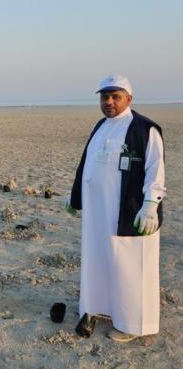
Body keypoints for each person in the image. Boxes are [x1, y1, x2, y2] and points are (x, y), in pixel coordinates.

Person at [67, 74, 165, 342]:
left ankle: (134, 324)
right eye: (104, 97)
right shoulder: (101, 125)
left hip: (129, 212)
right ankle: (105, 309)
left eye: (115, 97)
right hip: (99, 213)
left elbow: (155, 170)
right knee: (101, 260)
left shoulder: (144, 129)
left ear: (129, 99)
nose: (109, 102)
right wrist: (76, 197)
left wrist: (150, 205)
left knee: (131, 265)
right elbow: (87, 163)